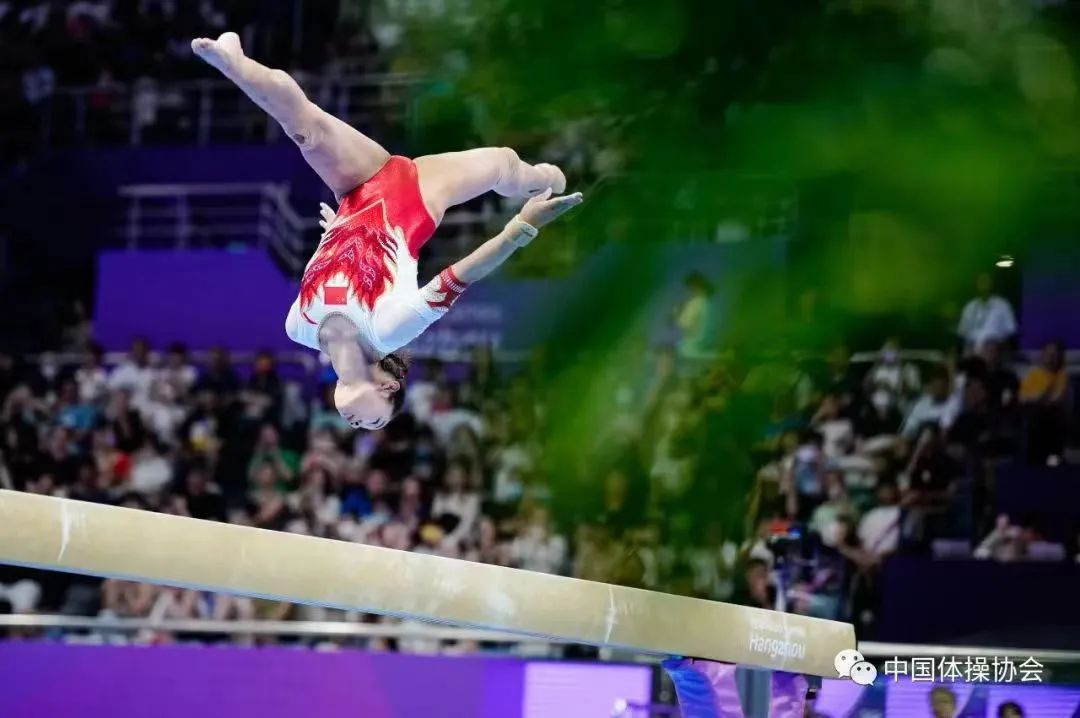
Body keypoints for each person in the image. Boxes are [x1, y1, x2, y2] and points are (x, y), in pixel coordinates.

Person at [192, 32, 582, 430]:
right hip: (415, 196)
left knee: (306, 129)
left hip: (356, 188)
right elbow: (462, 275)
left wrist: (335, 235)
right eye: (374, 422)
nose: (358, 425)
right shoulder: (389, 330)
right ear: (388, 387)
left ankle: (235, 64)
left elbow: (326, 273)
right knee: (504, 164)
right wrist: (522, 227)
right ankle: (540, 179)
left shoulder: (297, 327)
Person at [957, 273, 1017, 353]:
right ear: (976, 285)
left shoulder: (1002, 305)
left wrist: (996, 342)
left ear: (991, 285)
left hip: (994, 347)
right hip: (972, 347)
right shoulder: (970, 306)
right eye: (981, 282)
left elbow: (1011, 329)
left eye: (986, 282)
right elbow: (962, 330)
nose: (984, 286)